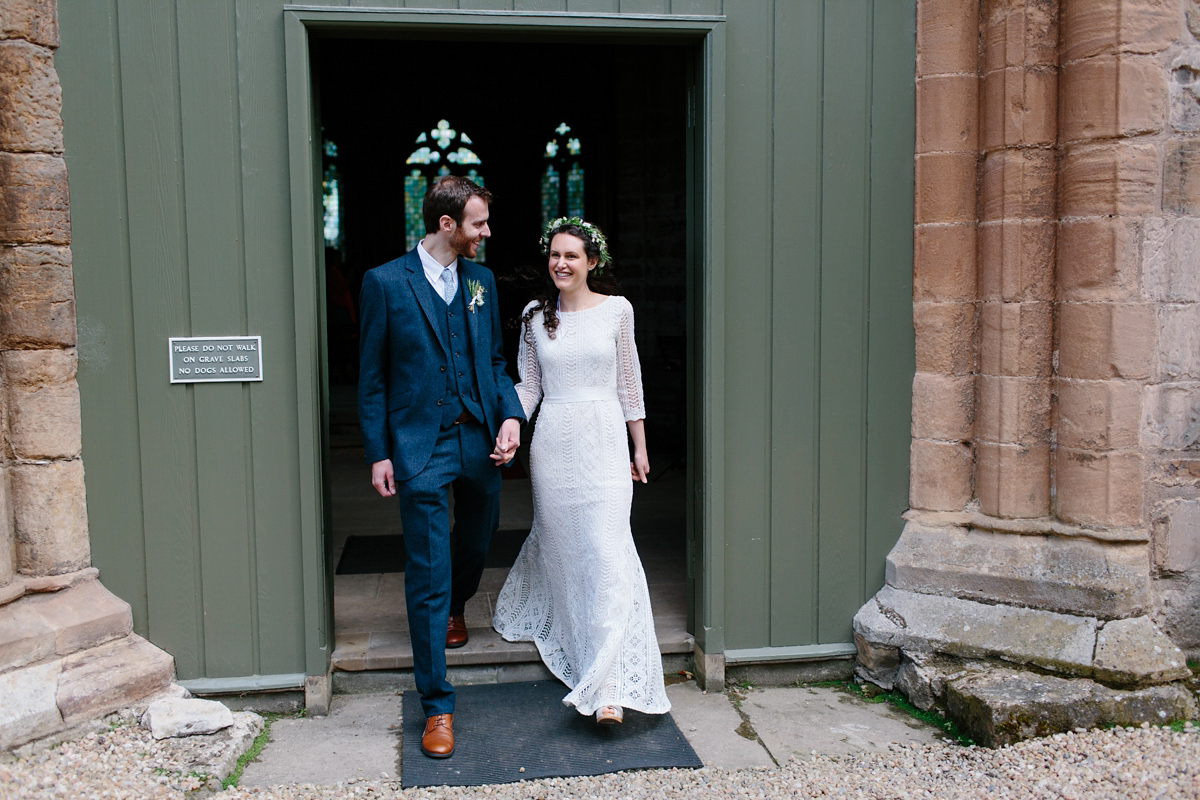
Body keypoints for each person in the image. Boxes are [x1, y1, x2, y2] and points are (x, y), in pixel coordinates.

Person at [358, 175, 525, 759]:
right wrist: (379, 450)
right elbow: (372, 377)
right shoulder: (383, 282)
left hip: (478, 435)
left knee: (479, 537)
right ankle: (437, 705)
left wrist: (510, 415)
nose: (487, 232)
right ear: (448, 225)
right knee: (426, 569)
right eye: (478, 223)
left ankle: (458, 604)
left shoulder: (480, 282)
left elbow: (497, 360)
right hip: (418, 445)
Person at [492, 217, 670, 724]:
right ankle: (576, 633)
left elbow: (629, 384)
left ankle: (608, 687)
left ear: (593, 262)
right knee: (568, 548)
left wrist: (639, 447)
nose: (561, 263)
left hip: (606, 440)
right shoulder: (534, 315)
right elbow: (529, 387)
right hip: (552, 444)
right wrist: (511, 427)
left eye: (572, 255)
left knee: (608, 551)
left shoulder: (618, 311)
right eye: (555, 254)